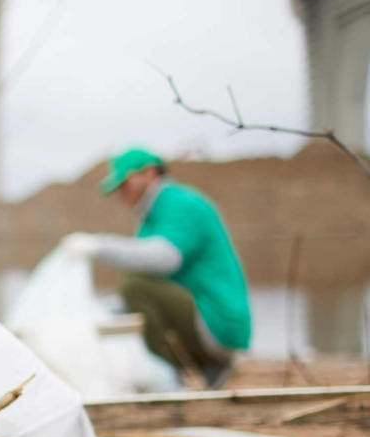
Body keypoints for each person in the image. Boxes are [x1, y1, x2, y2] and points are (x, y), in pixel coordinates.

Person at [63, 147, 251, 388]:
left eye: (124, 183)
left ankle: (176, 377)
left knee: (136, 287)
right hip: (205, 322)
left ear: (149, 173)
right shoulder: (153, 217)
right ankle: (193, 369)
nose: (120, 193)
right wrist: (96, 309)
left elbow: (164, 258)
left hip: (219, 326)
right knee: (134, 289)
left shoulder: (179, 203)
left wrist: (99, 246)